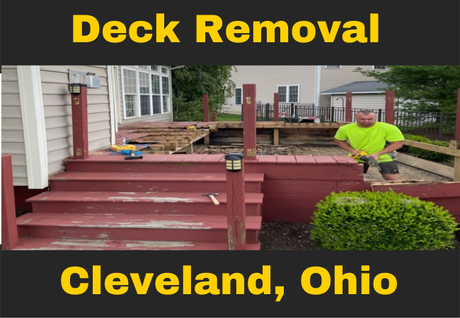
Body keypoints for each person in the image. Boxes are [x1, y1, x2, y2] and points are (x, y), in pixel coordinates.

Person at [334, 110, 404, 181]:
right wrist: (352, 150)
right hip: (359, 155)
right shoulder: (345, 129)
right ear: (355, 118)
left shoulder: (389, 128)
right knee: (351, 178)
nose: (366, 121)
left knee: (391, 178)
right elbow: (339, 140)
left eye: (370, 119)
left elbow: (397, 144)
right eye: (362, 119)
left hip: (384, 155)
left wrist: (377, 154)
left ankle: (394, 190)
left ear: (375, 117)